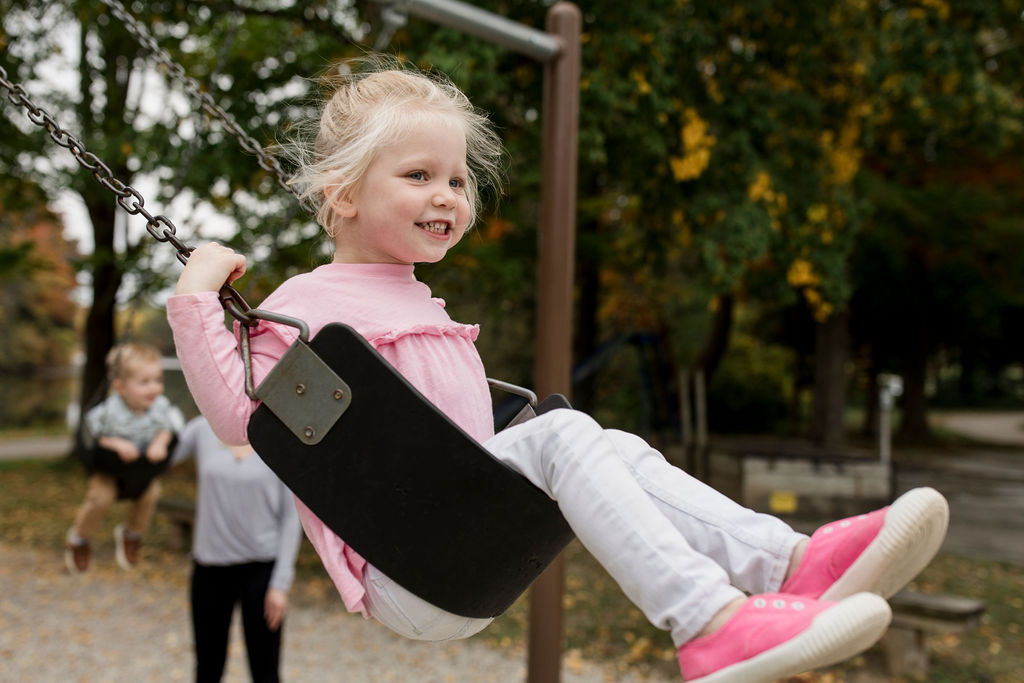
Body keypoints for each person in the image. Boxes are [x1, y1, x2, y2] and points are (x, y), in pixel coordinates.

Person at [166, 60, 950, 683]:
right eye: (419, 176)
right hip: (406, 560)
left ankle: (790, 562)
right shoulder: (304, 305)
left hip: (469, 546)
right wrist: (196, 297)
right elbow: (242, 420)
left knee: (612, 447)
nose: (447, 194)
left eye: (458, 179)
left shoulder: (424, 304)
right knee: (568, 435)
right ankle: (709, 625)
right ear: (341, 193)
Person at [171, 416, 303, 683]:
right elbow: (159, 458)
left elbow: (292, 518)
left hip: (262, 573)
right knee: (207, 669)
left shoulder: (280, 434)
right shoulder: (202, 428)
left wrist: (280, 584)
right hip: (209, 570)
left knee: (265, 671)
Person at [66, 342, 184, 573]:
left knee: (151, 493)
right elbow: (92, 435)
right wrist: (115, 443)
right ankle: (79, 539)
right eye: (144, 382)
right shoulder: (109, 411)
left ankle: (132, 534)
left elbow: (168, 428)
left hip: (141, 468)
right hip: (109, 467)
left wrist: (160, 442)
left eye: (158, 380)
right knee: (100, 497)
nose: (155, 388)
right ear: (120, 387)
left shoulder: (160, 407)